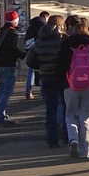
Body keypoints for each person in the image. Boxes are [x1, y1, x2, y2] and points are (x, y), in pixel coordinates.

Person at [59, 16, 89, 159]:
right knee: (86, 116)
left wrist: (64, 80)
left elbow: (59, 65)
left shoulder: (66, 45)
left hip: (70, 85)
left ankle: (73, 139)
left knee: (70, 115)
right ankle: (85, 150)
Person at [28, 14, 67, 148]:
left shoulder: (39, 40)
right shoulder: (62, 40)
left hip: (45, 76)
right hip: (61, 76)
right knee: (65, 106)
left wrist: (40, 67)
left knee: (50, 109)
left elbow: (29, 60)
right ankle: (67, 136)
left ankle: (52, 139)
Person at [0, 10, 23, 127]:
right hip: (8, 65)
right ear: (15, 21)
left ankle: (1, 113)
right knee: (7, 91)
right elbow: (12, 49)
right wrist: (23, 55)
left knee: (1, 90)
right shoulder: (12, 33)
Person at [23, 10, 50, 99]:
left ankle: (28, 90)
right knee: (41, 71)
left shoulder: (31, 25)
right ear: (45, 17)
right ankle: (42, 91)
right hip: (39, 49)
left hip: (29, 49)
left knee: (31, 70)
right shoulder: (42, 25)